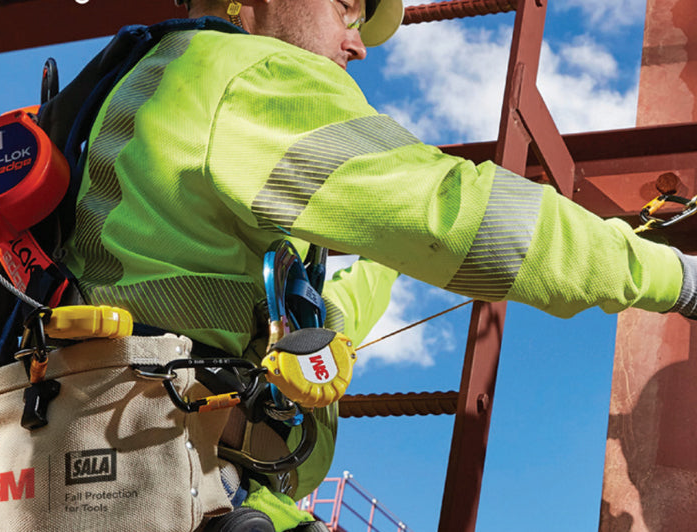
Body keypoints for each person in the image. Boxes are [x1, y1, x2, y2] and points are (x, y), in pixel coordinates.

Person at [54, 0, 697, 530]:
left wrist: (390, 261)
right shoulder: (245, 76)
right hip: (173, 490)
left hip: (114, 476)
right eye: (347, 9)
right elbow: (459, 217)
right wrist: (680, 279)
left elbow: (316, 317)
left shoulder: (143, 89)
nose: (356, 45)